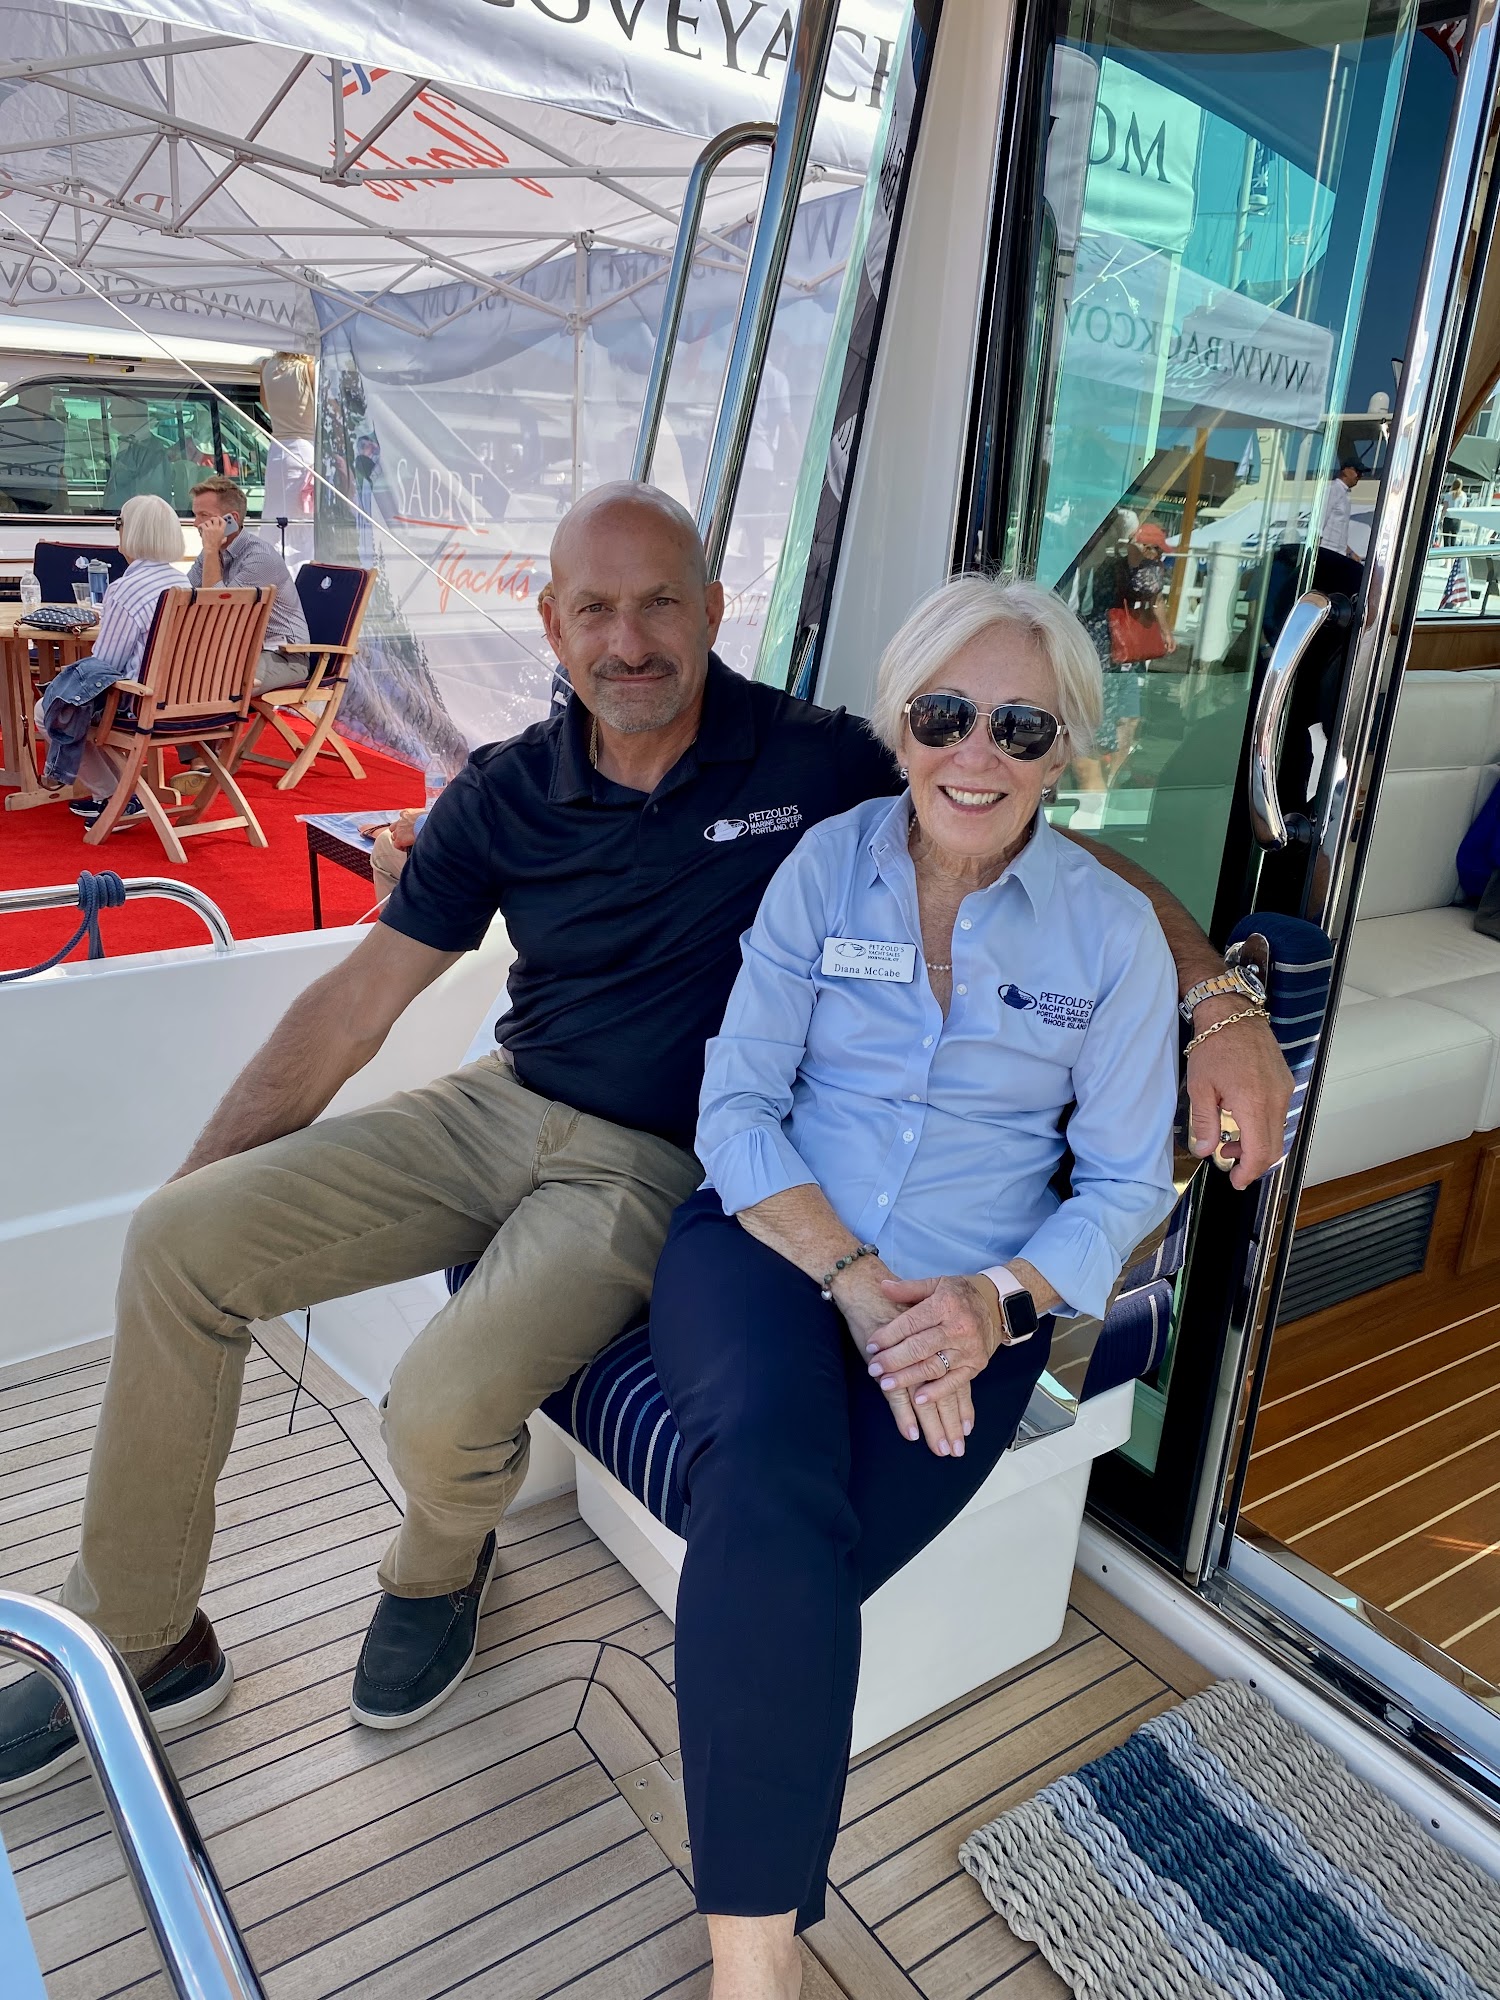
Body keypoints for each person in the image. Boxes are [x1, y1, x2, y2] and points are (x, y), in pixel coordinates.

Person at [0, 483, 1291, 1801]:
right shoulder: (507, 790)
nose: (630, 640)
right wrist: (213, 1172)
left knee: (438, 1408)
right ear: (551, 623)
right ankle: (143, 1634)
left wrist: (1219, 1002)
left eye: (661, 601)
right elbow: (355, 1005)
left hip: (660, 1156)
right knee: (177, 1240)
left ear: (714, 609)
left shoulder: (816, 760)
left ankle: (438, 1565)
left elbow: (1038, 838)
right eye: (596, 609)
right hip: (502, 1101)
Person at [649, 574, 1182, 1996]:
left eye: (1021, 726)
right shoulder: (825, 870)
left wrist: (991, 1302)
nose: (976, 754)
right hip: (771, 1242)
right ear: (900, 725)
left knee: (782, 1557)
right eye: (945, 716)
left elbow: (1126, 1183)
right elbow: (736, 1105)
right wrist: (848, 1271)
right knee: (770, 1482)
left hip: (970, 1309)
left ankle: (749, 1942)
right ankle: (757, 1966)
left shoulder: (1110, 936)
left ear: (1067, 750)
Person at [35, 493, 188, 829]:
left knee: (49, 710)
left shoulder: (126, 589)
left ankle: (115, 796)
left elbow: (106, 665)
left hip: (142, 704)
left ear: (129, 531)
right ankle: (120, 796)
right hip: (191, 704)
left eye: (119, 524)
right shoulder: (183, 582)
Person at [1077, 519, 1176, 789]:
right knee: (1106, 722)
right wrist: (1135, 554)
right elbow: (1149, 590)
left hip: (1126, 656)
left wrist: (1165, 631)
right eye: (1155, 549)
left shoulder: (1140, 569)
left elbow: (1155, 599)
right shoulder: (1127, 569)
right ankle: (1099, 783)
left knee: (1129, 719)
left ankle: (1111, 781)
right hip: (1108, 652)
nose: (1158, 557)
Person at [187, 474, 310, 689]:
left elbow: (218, 610)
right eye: (195, 515)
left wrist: (211, 550)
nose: (196, 523)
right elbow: (187, 593)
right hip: (240, 651)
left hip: (282, 656)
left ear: (231, 519)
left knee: (217, 684)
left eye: (204, 516)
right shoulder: (212, 553)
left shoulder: (259, 558)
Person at [104, 402, 177, 510]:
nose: (109, 409)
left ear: (131, 410)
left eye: (115, 402)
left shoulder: (152, 451)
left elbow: (150, 503)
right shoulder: (128, 443)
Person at [1319, 459, 1362, 560]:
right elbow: (1319, 521)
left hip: (1338, 554)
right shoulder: (1333, 489)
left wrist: (1350, 552)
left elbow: (1339, 533)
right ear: (1346, 471)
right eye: (1358, 472)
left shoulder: (1345, 494)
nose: (1360, 476)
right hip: (1326, 552)